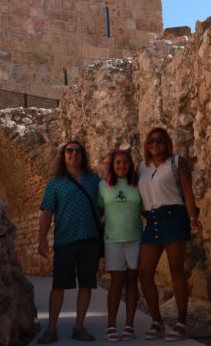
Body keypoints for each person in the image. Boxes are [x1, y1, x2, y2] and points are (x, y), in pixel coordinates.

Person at [137, 127, 202, 341]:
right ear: (147, 145)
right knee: (145, 272)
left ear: (167, 143)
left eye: (160, 140)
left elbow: (187, 191)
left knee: (176, 269)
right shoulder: (141, 168)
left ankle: (181, 322)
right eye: (151, 141)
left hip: (175, 216)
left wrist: (193, 218)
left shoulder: (176, 162)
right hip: (153, 219)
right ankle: (157, 321)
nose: (155, 144)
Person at [38, 140, 103, 343]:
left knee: (86, 284)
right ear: (63, 155)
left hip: (89, 240)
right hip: (65, 240)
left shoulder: (94, 180)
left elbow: (103, 205)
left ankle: (79, 327)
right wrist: (42, 240)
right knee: (58, 285)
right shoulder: (55, 183)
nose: (73, 153)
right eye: (69, 150)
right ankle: (51, 329)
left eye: (77, 150)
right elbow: (46, 212)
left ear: (82, 155)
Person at [97, 150, 144, 342]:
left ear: (130, 165)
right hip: (113, 241)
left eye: (125, 162)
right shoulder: (103, 186)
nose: (121, 166)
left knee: (132, 282)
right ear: (112, 165)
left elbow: (145, 209)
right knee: (116, 283)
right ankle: (111, 325)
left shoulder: (137, 185)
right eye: (117, 163)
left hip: (135, 240)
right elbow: (99, 211)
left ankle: (129, 325)